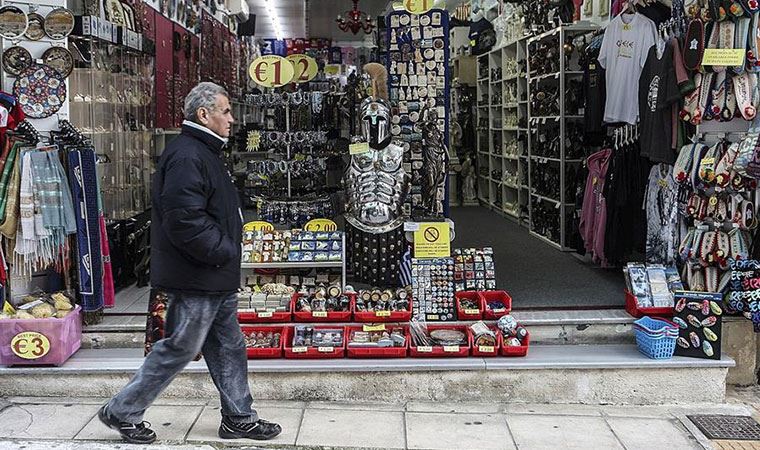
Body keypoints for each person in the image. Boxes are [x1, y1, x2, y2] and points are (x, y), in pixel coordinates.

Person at [97, 82, 282, 444]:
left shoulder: (203, 151)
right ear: (203, 114)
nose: (232, 118)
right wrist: (224, 251)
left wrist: (226, 254)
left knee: (228, 346)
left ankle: (239, 418)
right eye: (225, 111)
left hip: (213, 275)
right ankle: (122, 410)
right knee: (179, 347)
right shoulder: (187, 155)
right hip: (198, 275)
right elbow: (184, 220)